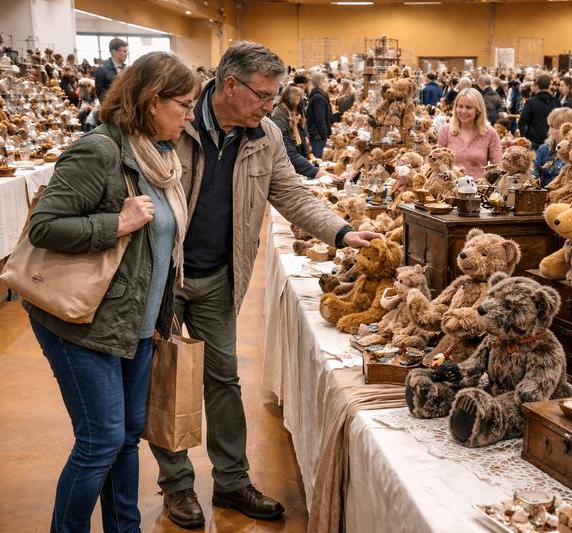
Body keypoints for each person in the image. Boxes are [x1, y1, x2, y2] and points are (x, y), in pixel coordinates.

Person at [154, 41, 379, 529]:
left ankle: (232, 481)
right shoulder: (176, 122)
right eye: (264, 95)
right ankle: (176, 486)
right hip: (162, 277)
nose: (270, 105)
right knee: (170, 377)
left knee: (223, 379)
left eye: (276, 97)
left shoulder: (266, 135)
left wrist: (342, 232)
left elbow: (291, 195)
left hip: (217, 275)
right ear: (229, 85)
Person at [25, 51, 196, 533]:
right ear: (150, 100)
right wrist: (115, 223)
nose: (187, 114)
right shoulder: (99, 150)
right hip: (82, 322)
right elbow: (44, 226)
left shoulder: (160, 157)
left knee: (124, 438)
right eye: (182, 104)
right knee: (99, 440)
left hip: (134, 326)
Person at [271, 84, 337, 179]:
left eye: (299, 97)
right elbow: (287, 150)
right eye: (296, 97)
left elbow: (301, 134)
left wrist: (304, 134)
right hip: (287, 168)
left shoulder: (295, 111)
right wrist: (315, 172)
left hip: (297, 162)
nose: (297, 100)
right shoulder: (280, 114)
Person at [437, 87, 502, 180]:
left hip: (479, 191)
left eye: (468, 107)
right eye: (460, 106)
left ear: (478, 110)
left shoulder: (490, 134)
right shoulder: (446, 131)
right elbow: (436, 163)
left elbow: (497, 167)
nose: (463, 111)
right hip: (449, 190)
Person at [532, 107, 572, 187]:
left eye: (554, 127)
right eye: (550, 126)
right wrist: (533, 180)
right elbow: (533, 169)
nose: (550, 131)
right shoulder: (545, 148)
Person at [518, 74, 559, 150]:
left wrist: (524, 138)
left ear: (537, 86)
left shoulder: (531, 102)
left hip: (534, 141)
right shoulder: (556, 102)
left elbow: (522, 122)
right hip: (551, 141)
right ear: (549, 86)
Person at [306, 72, 333, 159]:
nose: (328, 84)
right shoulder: (318, 97)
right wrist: (325, 135)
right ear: (321, 82)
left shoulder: (318, 96)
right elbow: (320, 119)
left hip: (318, 135)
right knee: (319, 160)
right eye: (326, 81)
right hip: (318, 136)